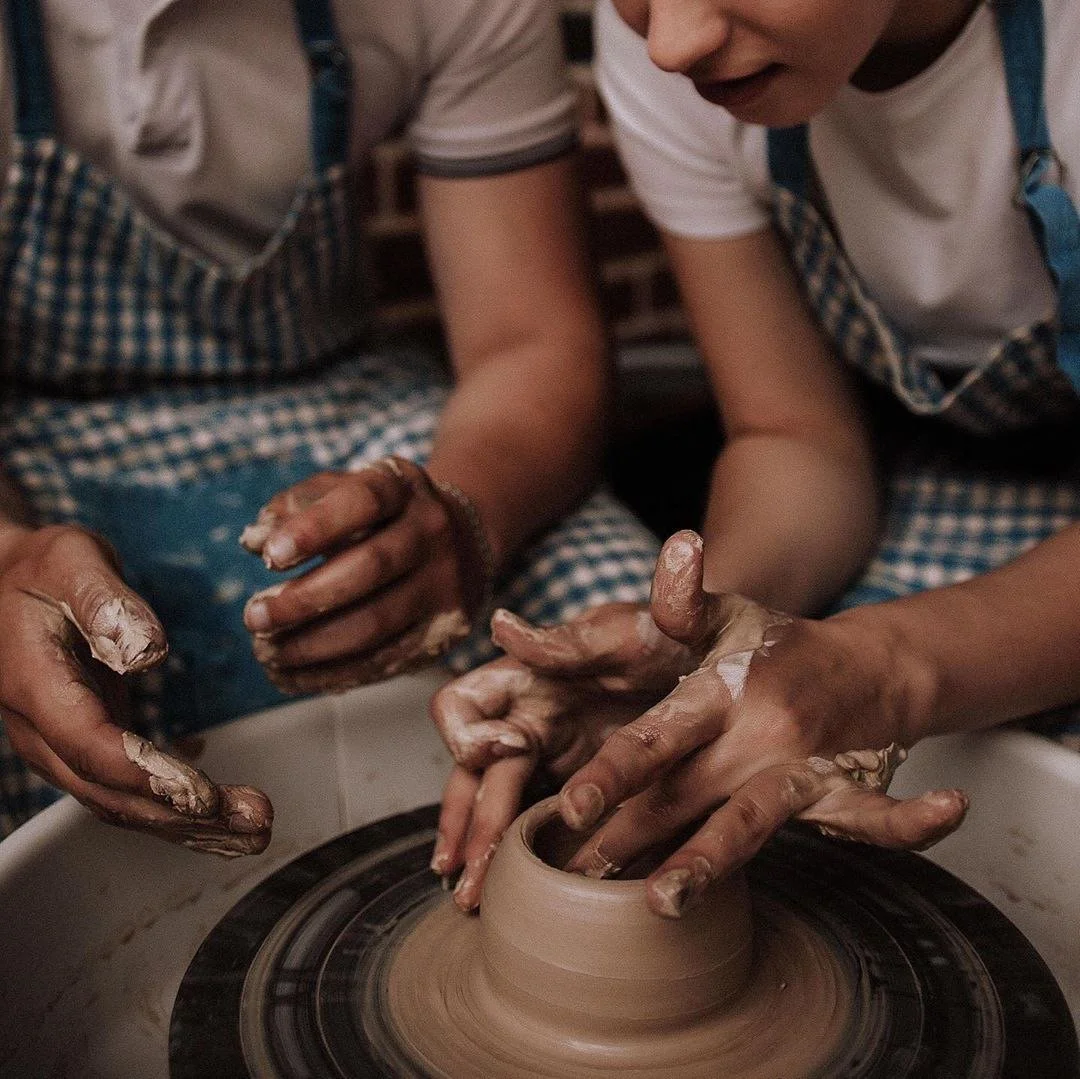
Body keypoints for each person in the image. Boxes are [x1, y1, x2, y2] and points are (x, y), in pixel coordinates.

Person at [430, 0, 1080, 917]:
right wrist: (697, 654)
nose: (670, 42)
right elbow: (798, 440)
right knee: (775, 735)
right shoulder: (690, 51)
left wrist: (890, 667)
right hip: (923, 467)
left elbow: (887, 668)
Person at [0, 0, 661, 849]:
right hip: (33, 435)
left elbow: (531, 342)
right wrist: (10, 555)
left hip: (347, 400)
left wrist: (463, 515)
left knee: (639, 666)